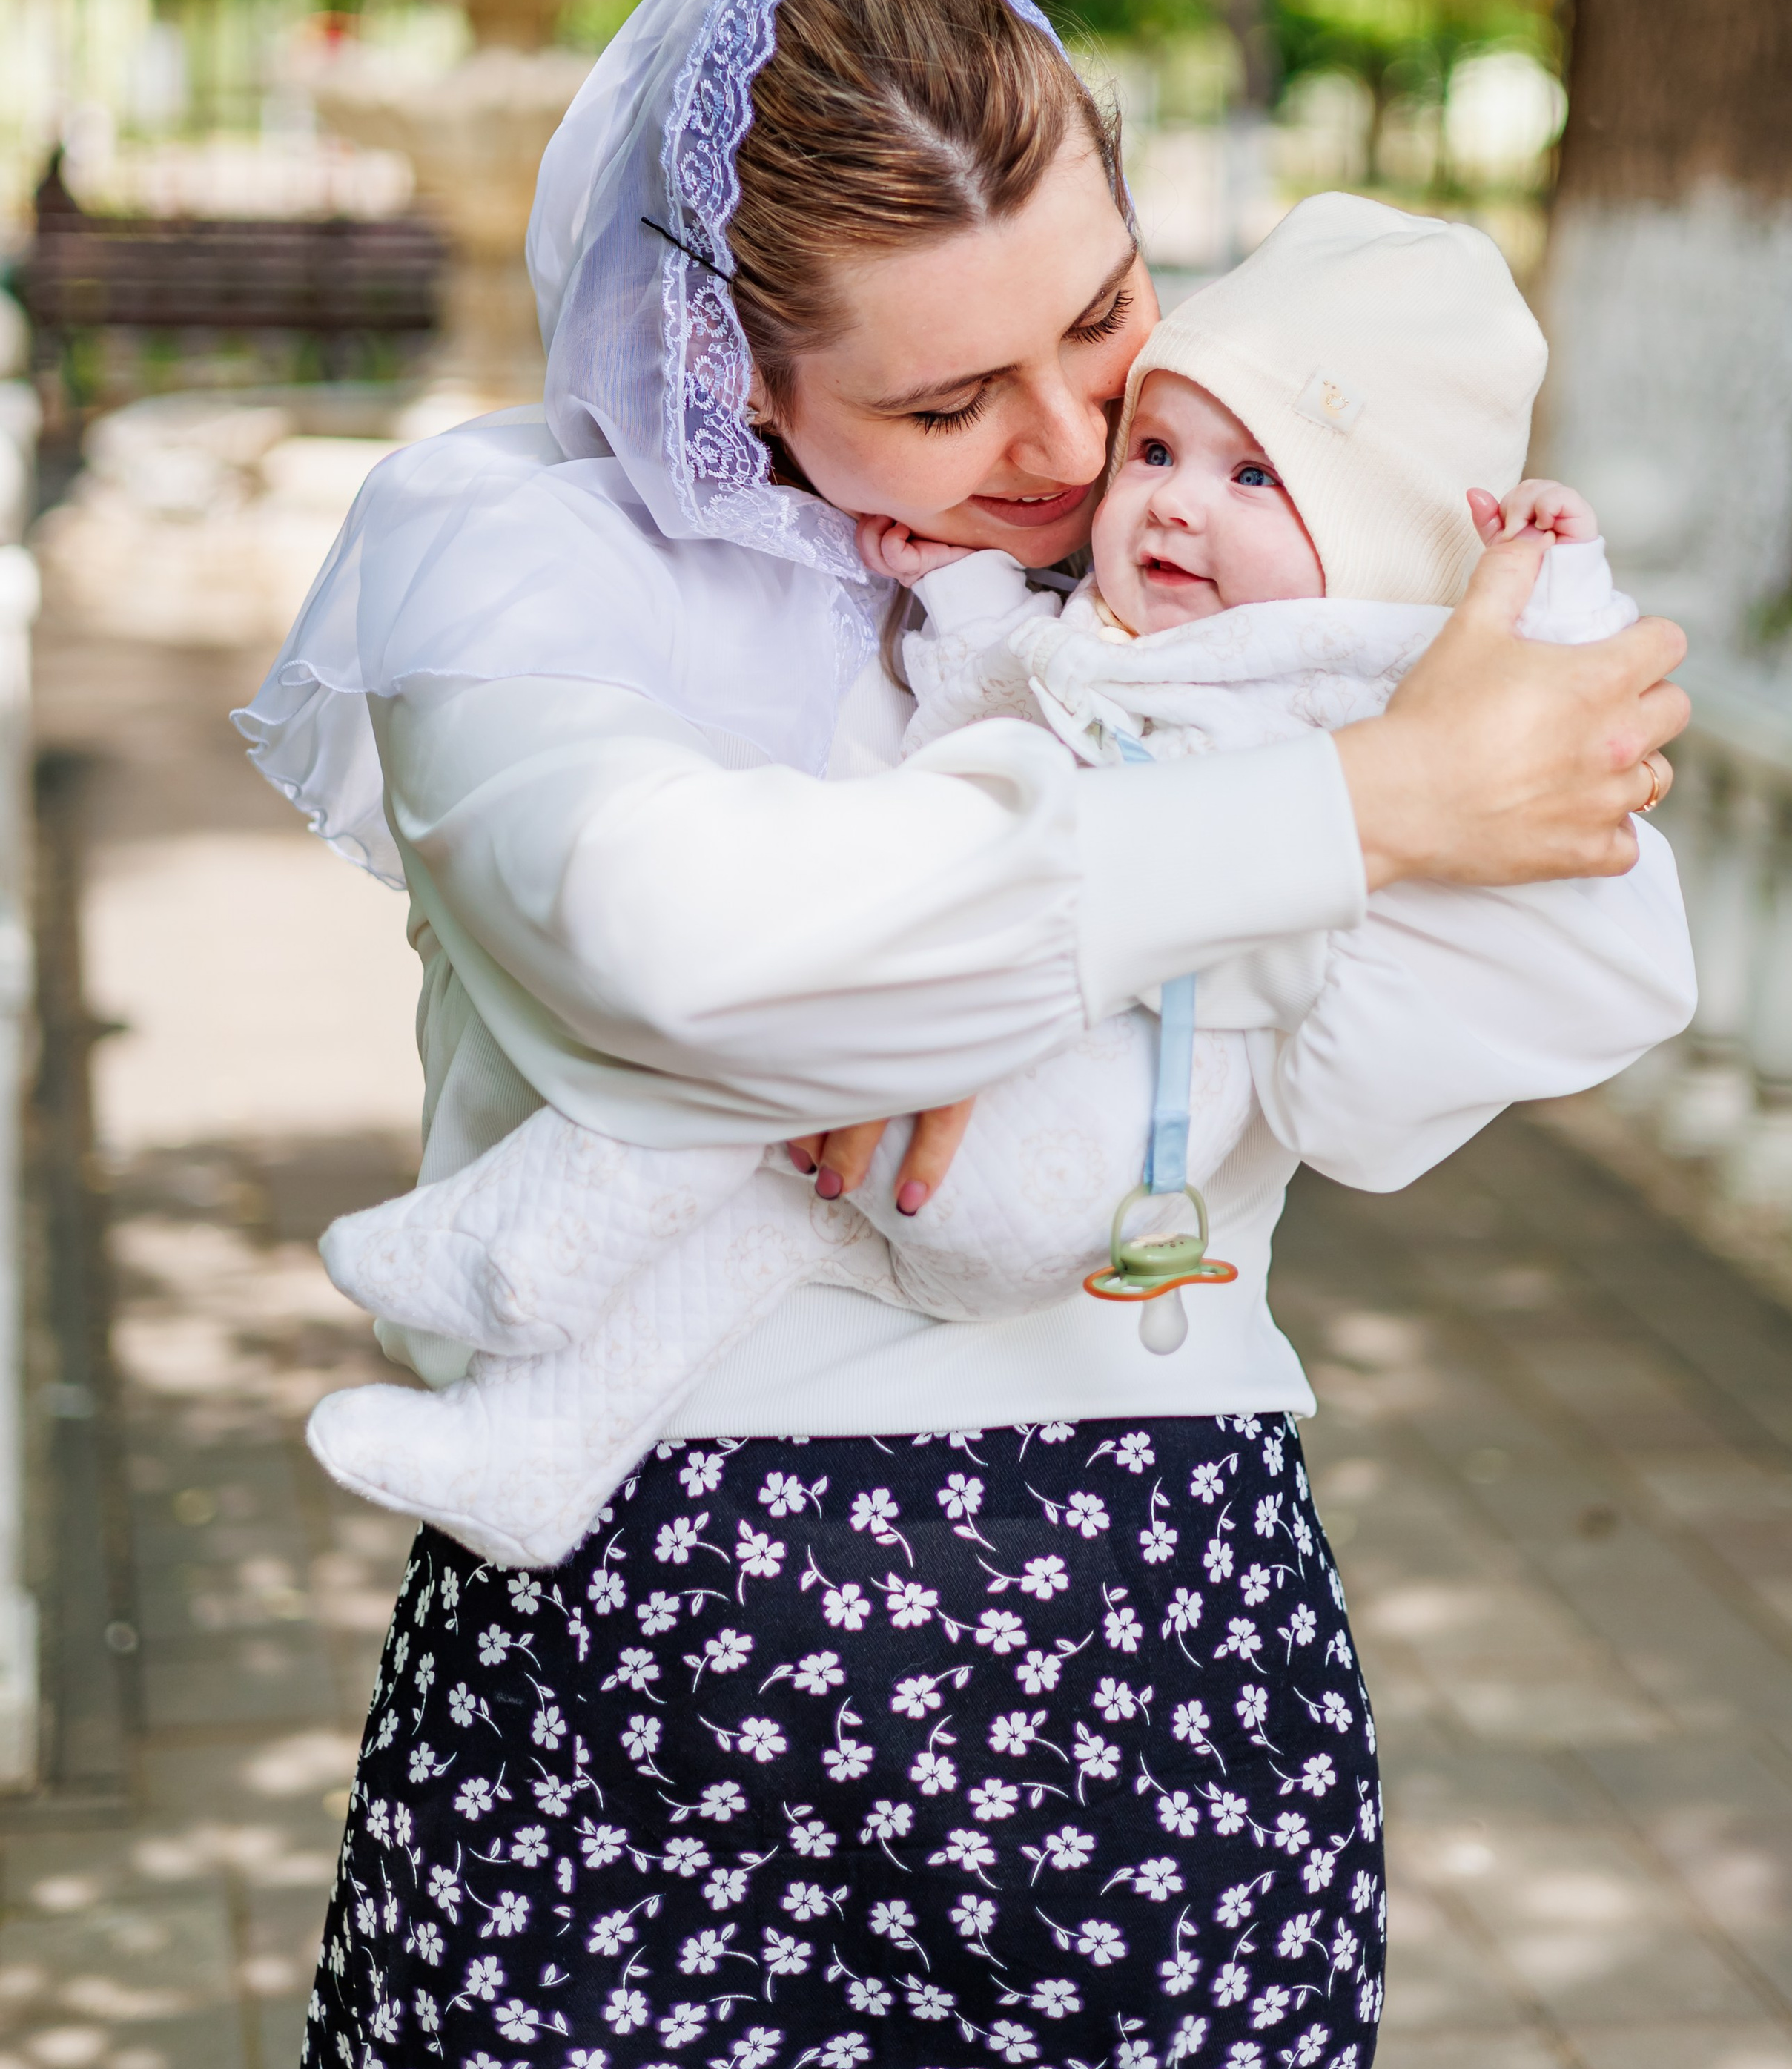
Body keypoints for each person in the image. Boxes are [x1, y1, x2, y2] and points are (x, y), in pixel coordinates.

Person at [246, 0, 1688, 2069]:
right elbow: (691, 952)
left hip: (1151, 1671)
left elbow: (1482, 1018)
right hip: (653, 1706)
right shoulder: (509, 552)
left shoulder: (1213, 575)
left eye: (1105, 318)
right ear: (721, 360)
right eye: (941, 403)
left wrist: (1444, 754)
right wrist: (1359, 815)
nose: (1064, 445)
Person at [297, 192, 1690, 1580]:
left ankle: (515, 1254)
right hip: (757, 1486)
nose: (1133, 478)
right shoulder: (530, 542)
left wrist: (1554, 587)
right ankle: (526, 1432)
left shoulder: (1354, 678)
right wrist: (974, 610)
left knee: (761, 1105)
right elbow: (942, 752)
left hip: (1084, 1249)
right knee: (759, 1194)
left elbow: (1550, 796)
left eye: (1254, 475)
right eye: (1160, 444)